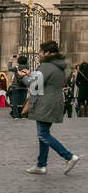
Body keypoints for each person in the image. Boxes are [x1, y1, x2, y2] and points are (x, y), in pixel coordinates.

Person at [27, 41, 80, 174]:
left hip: (45, 103)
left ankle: (69, 156)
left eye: (41, 51)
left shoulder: (45, 66)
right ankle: (41, 165)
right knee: (43, 133)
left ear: (48, 53)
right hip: (54, 102)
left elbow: (34, 85)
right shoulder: (59, 66)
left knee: (43, 134)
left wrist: (24, 77)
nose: (39, 54)